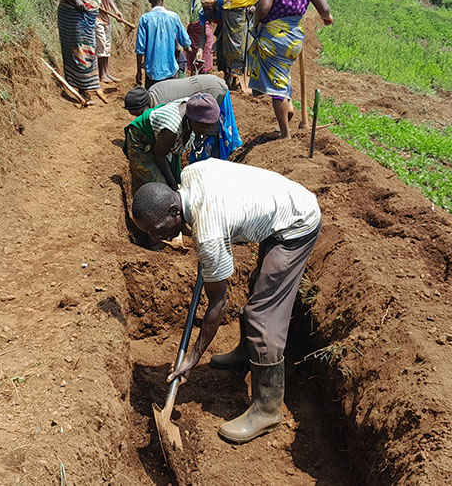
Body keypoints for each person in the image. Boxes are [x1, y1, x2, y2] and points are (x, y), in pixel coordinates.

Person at [130, 160, 322, 444]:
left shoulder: (209, 233)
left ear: (174, 211)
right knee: (258, 287)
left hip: (296, 224)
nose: (157, 237)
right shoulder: (190, 176)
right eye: (149, 232)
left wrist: (192, 359)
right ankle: (247, 352)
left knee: (263, 313)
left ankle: (267, 409)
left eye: (158, 229)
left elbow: (218, 303)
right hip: (278, 211)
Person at [249, 0, 333, 138]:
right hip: (295, 39)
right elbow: (324, 9)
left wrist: (255, 21)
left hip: (273, 38)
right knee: (282, 75)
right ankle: (289, 109)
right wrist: (327, 18)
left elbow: (264, 6)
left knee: (277, 86)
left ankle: (285, 134)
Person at [123, 75, 243, 161]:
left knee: (210, 132)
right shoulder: (153, 91)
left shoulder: (163, 107)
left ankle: (212, 160)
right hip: (209, 83)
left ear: (146, 106)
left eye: (139, 114)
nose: (140, 117)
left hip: (213, 90)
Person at [122, 93, 222, 193]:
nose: (206, 131)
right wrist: (174, 187)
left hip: (161, 137)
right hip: (140, 137)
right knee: (160, 187)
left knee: (176, 177)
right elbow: (159, 155)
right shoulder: (172, 129)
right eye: (204, 127)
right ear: (192, 121)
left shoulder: (194, 107)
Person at [45, 0, 102, 100]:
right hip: (74, 19)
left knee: (87, 50)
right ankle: (82, 89)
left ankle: (85, 87)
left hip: (84, 20)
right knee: (80, 51)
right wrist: (74, 0)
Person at [221, 0, 263, 91]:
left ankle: (239, 79)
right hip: (228, 21)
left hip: (241, 20)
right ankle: (230, 77)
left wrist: (256, 6)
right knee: (228, 50)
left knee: (239, 49)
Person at [135, 0, 192, 89]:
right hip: (171, 70)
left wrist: (139, 71)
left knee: (153, 101)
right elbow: (185, 41)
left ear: (149, 2)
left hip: (152, 72)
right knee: (172, 101)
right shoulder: (173, 17)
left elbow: (140, 50)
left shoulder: (145, 19)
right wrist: (189, 49)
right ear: (162, 0)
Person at [86, 0, 122, 84]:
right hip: (94, 12)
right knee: (101, 43)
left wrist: (116, 11)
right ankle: (101, 74)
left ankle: (107, 72)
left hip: (106, 13)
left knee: (107, 45)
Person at [186, 0, 214, 75]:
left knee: (205, 52)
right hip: (193, 31)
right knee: (193, 52)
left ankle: (204, 74)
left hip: (203, 29)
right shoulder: (191, 0)